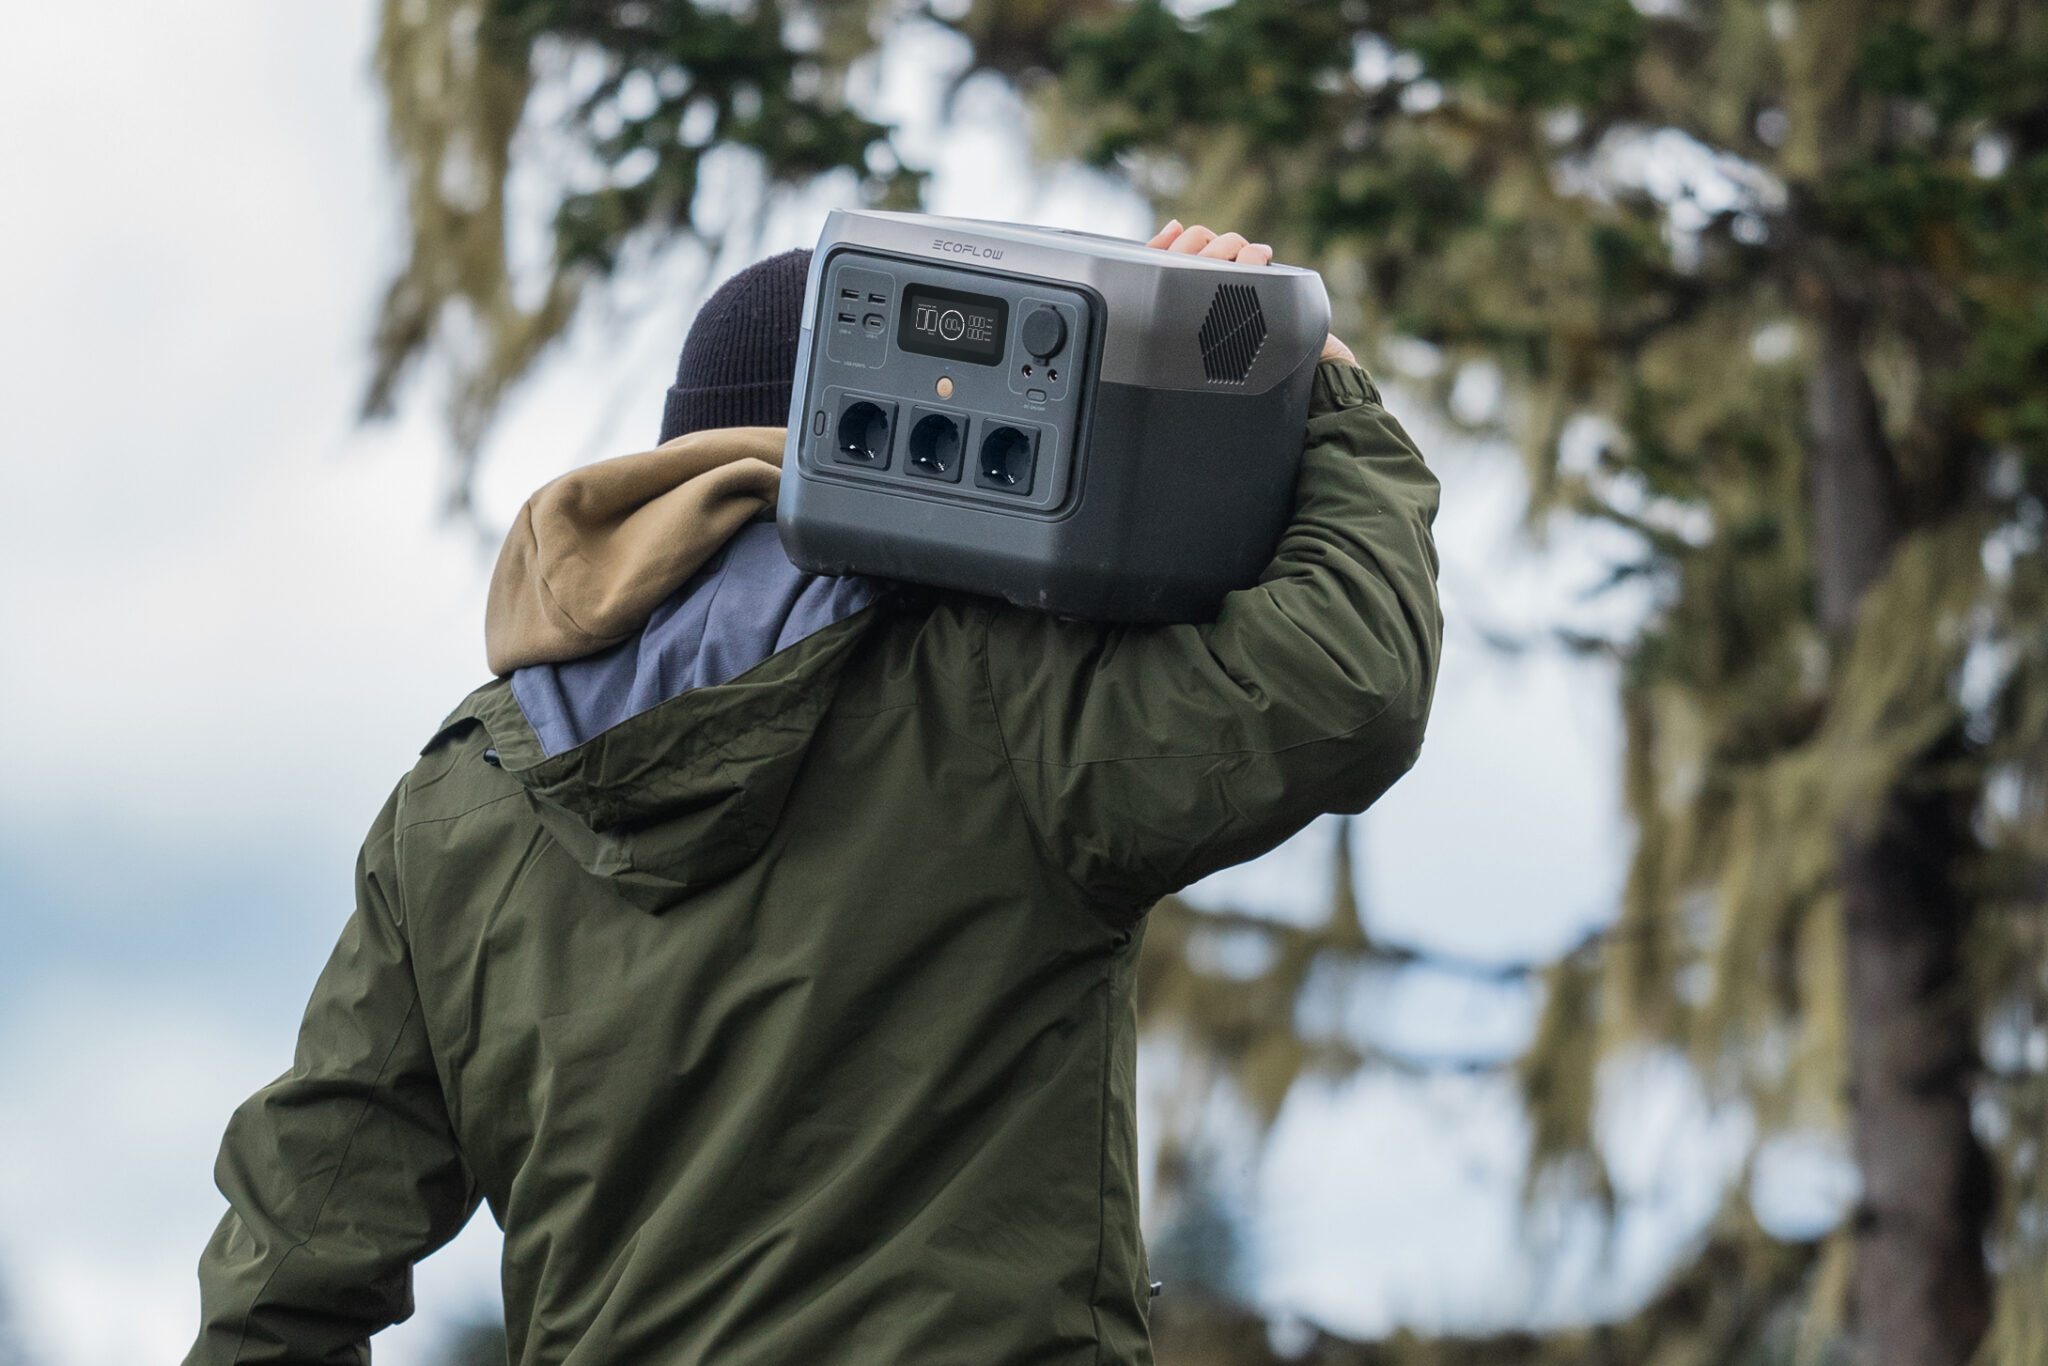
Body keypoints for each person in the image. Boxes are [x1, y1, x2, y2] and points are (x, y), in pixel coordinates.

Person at [183, 221, 1441, 1365]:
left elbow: (281, 1284)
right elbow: (1342, 681)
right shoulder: (995, 701)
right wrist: (1317, 381)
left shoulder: (457, 807)